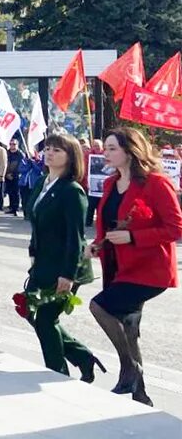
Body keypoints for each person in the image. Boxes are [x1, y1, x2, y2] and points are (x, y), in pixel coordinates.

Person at [87, 127, 182, 406]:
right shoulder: (109, 184)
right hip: (117, 264)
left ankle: (130, 366)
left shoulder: (155, 183)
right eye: (106, 147)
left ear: (130, 151)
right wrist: (98, 244)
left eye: (112, 147)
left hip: (149, 269)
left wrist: (134, 237)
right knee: (129, 326)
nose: (106, 152)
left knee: (99, 306)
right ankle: (139, 393)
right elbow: (107, 221)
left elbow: (175, 227)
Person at [23, 134, 101, 380]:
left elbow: (75, 238)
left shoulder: (72, 191)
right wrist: (33, 253)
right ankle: (81, 356)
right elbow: (35, 222)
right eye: (47, 149)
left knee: (46, 318)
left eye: (57, 150)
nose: (50, 153)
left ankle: (57, 373)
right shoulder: (43, 183)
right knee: (31, 310)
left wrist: (67, 274)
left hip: (66, 265)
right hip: (43, 262)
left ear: (71, 156)